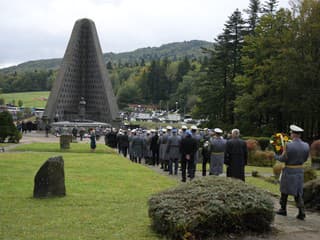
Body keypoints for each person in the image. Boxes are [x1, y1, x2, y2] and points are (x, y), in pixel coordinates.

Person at [275, 124, 310, 220]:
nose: (290, 135)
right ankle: (301, 212)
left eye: (291, 133)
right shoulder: (306, 145)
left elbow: (283, 158)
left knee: (284, 190)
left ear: (294, 134)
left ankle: (283, 209)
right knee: (298, 192)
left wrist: (276, 156)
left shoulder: (288, 145)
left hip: (289, 170)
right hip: (299, 171)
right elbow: (306, 158)